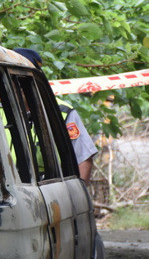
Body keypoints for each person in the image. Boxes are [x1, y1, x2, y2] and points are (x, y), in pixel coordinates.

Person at [12, 48, 97, 182]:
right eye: (12, 77)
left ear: (35, 79)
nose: (17, 83)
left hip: (51, 188)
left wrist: (77, 193)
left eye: (22, 78)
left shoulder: (62, 112)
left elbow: (83, 158)